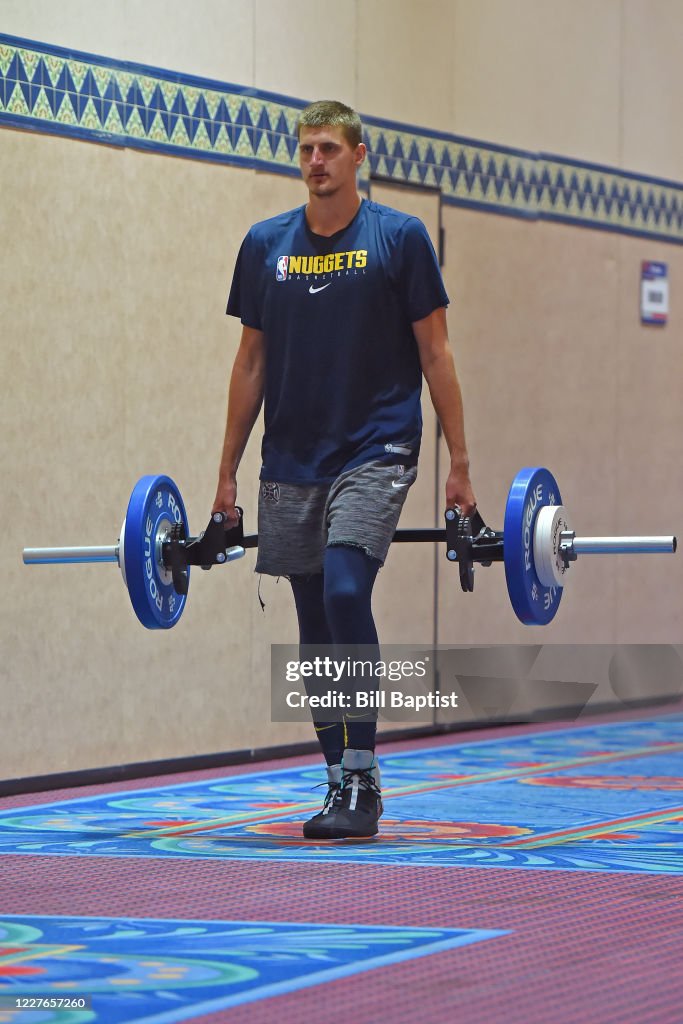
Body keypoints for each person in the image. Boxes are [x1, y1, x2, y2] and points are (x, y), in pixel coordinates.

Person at [212, 99, 475, 840]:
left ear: (360, 156)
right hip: (292, 455)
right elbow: (250, 361)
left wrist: (460, 465)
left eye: (329, 148)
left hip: (377, 446)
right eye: (305, 150)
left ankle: (363, 774)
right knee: (311, 616)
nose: (315, 161)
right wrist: (226, 475)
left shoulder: (400, 239)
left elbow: (436, 355)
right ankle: (334, 780)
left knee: (344, 584)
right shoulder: (265, 245)